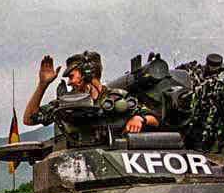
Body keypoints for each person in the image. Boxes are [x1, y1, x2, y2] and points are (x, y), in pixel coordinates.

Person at [23, 51, 159, 134]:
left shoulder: (117, 97)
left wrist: (139, 119)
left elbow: (154, 119)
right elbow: (29, 119)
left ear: (87, 74)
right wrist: (43, 85)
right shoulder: (66, 103)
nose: (69, 82)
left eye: (72, 76)